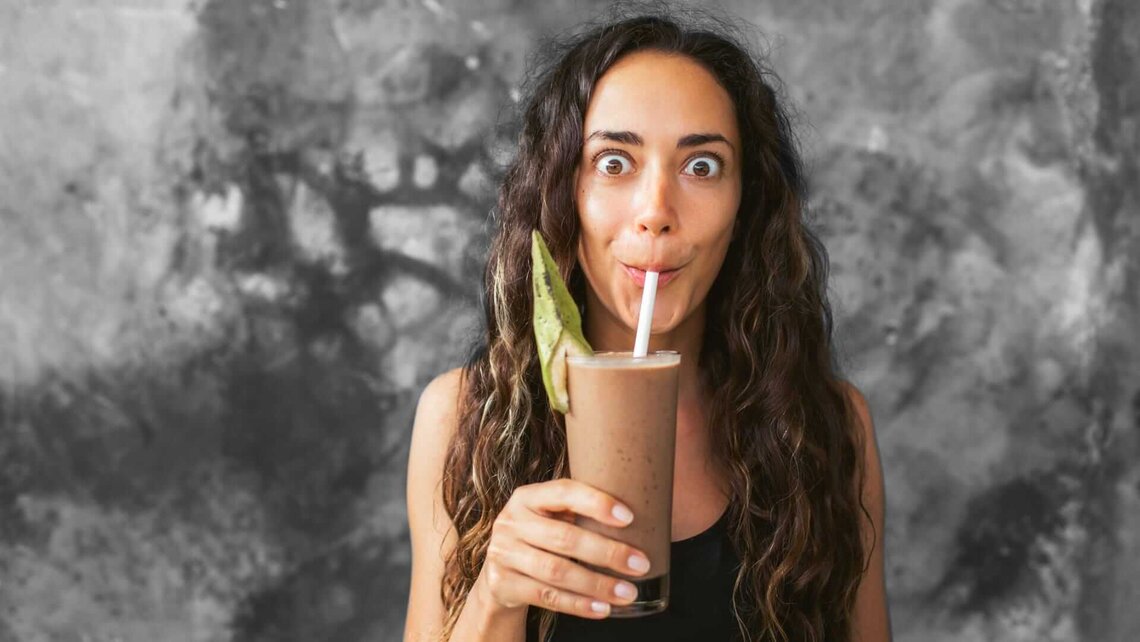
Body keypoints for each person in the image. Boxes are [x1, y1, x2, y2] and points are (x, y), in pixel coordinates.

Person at [403, 8, 890, 642]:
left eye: (702, 166)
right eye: (613, 163)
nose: (656, 210)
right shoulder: (461, 417)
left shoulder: (829, 426)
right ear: (561, 191)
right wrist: (497, 596)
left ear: (745, 206)